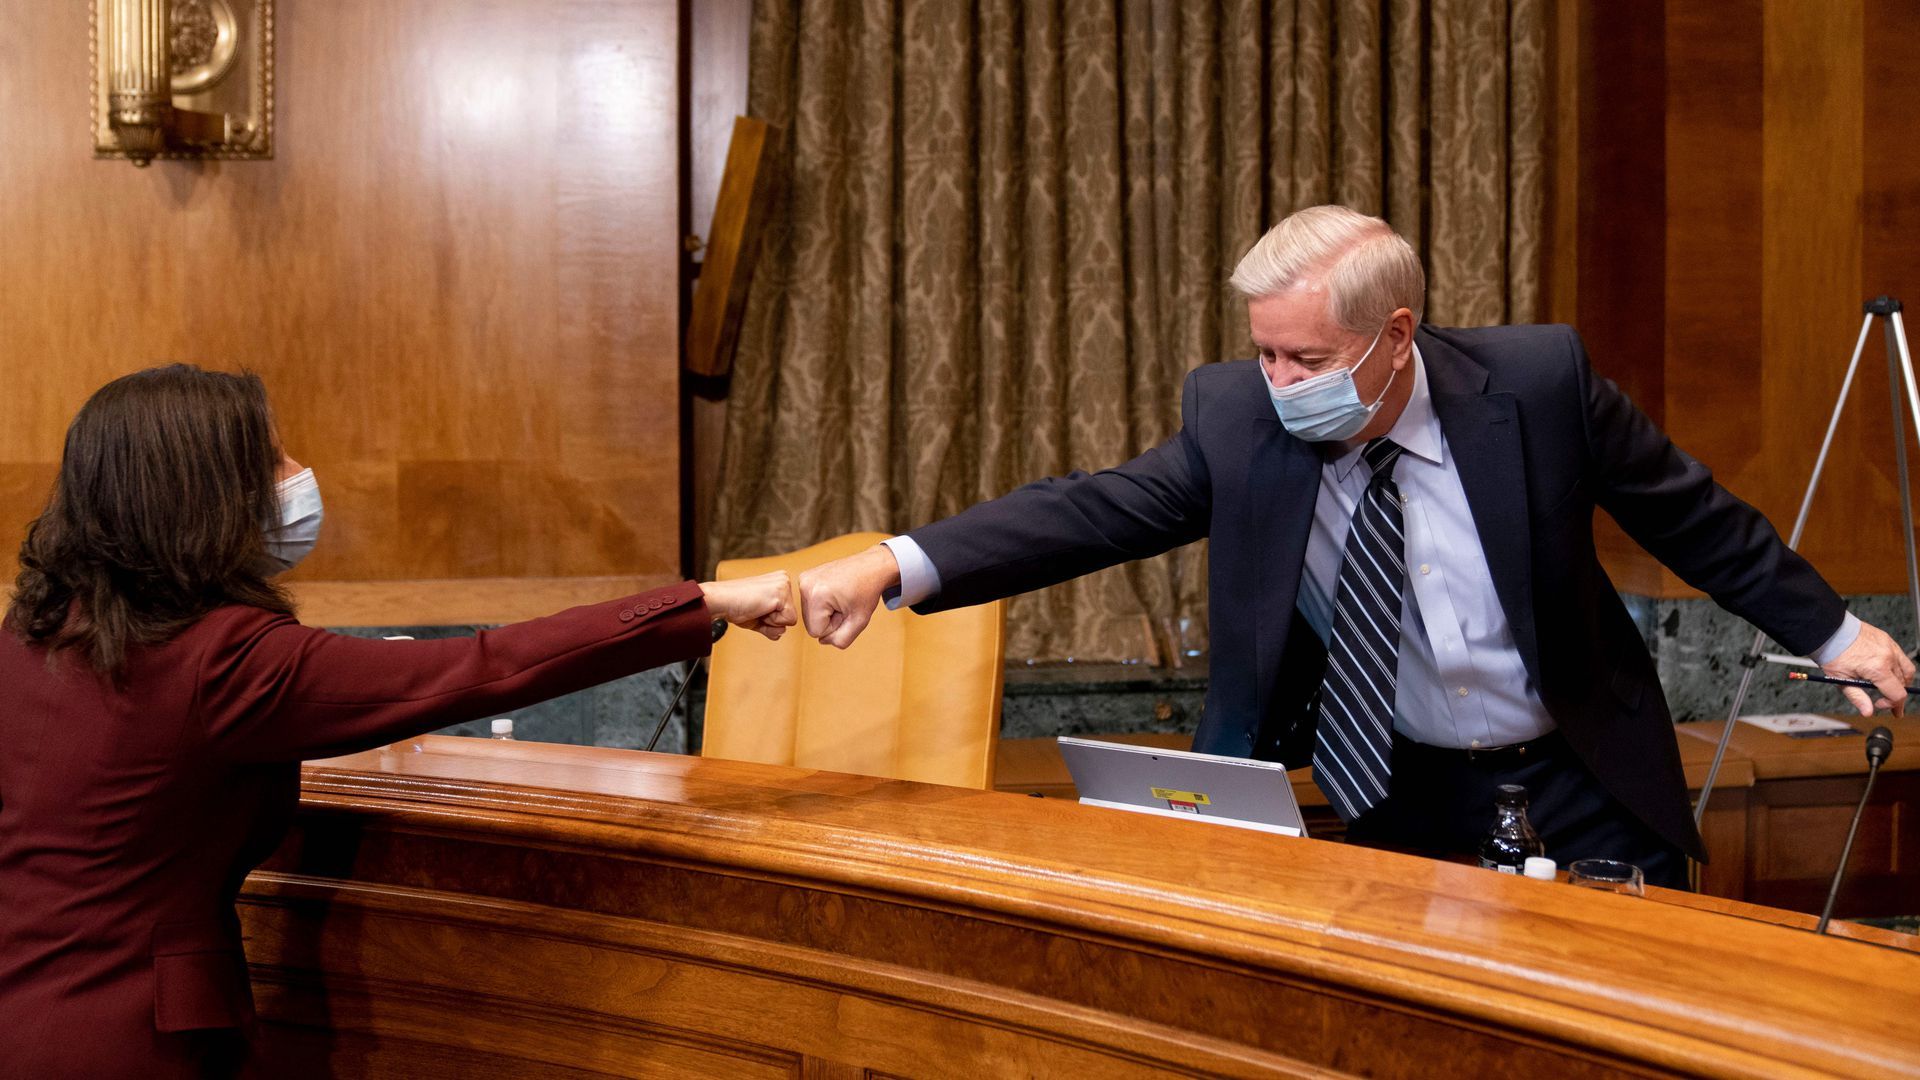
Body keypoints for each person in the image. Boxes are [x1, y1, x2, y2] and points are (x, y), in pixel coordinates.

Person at [795, 205, 1915, 890]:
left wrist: (1837, 631)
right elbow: (1093, 510)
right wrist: (893, 564)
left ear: (1395, 336)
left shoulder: (1537, 385)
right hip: (1396, 793)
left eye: (1304, 359)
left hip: (1579, 775)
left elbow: (1694, 517)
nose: (1277, 385)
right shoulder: (1237, 417)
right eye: (1264, 355)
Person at [0, 364, 797, 1079]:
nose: (296, 478)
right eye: (272, 461)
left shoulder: (34, 633)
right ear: (206, 495)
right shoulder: (225, 660)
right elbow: (489, 665)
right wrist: (702, 602)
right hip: (130, 1044)